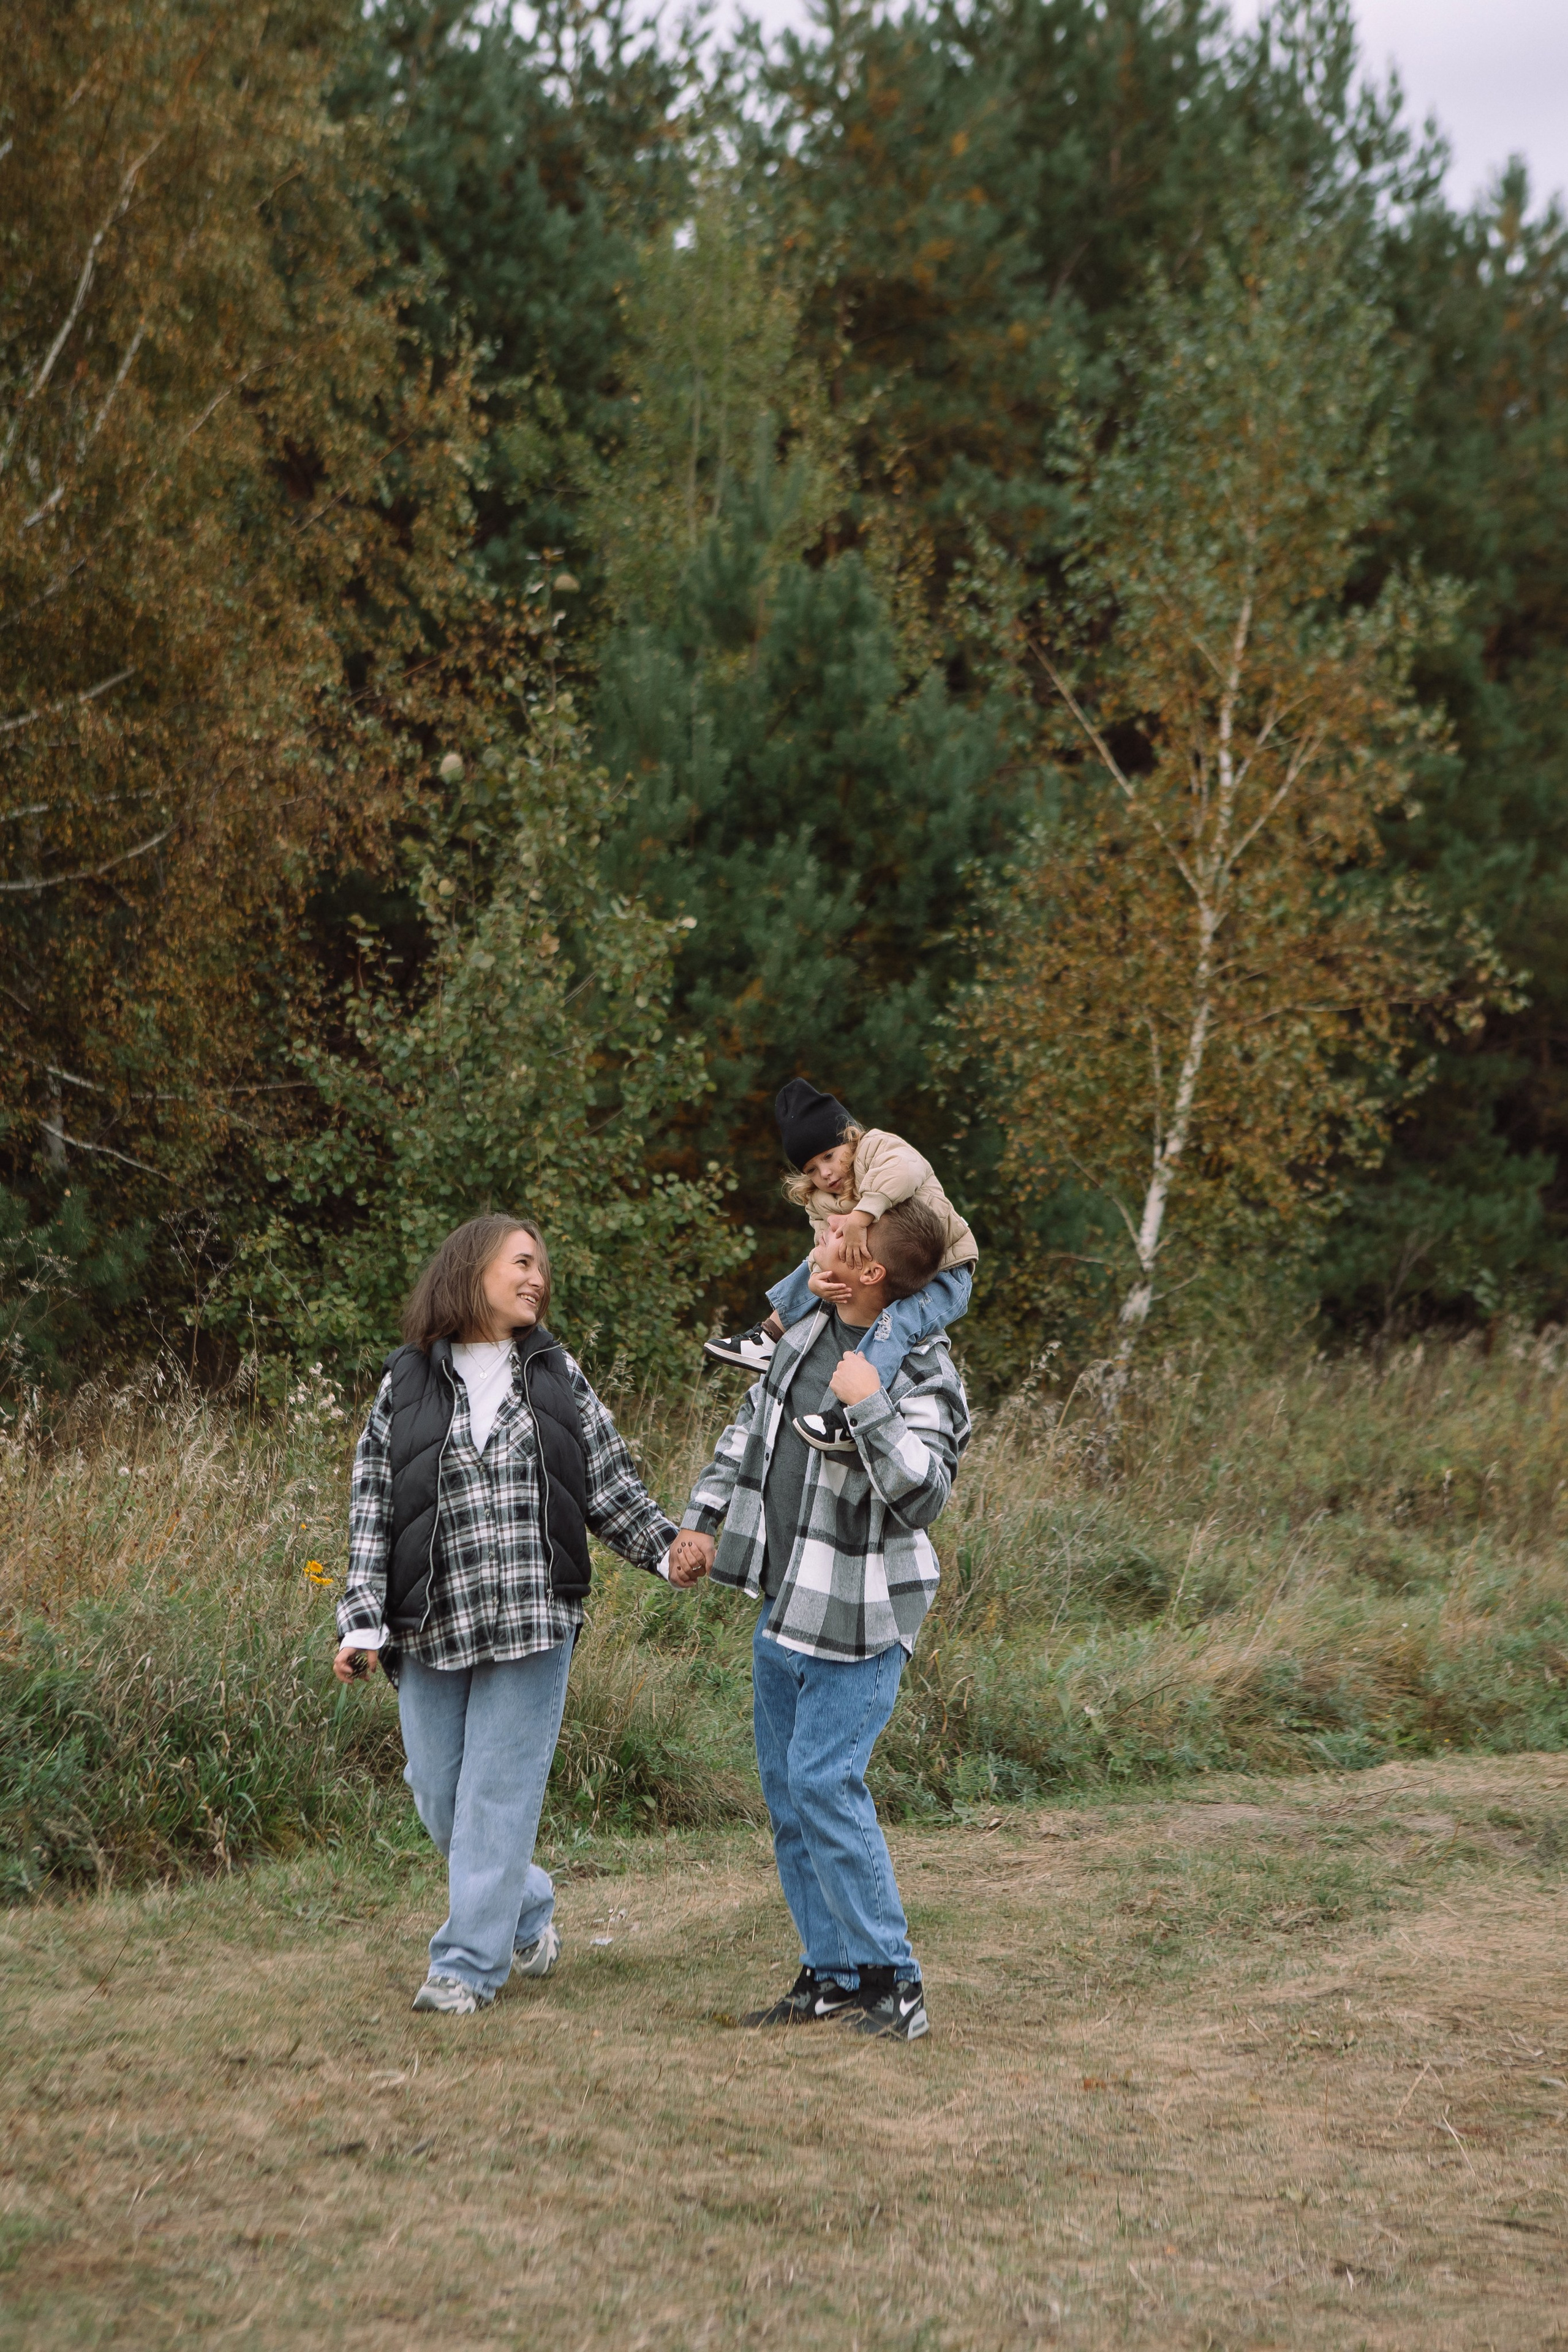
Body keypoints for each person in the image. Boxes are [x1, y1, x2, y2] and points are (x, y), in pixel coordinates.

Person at [333, 1213, 711, 2015]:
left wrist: (667, 1547)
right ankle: (526, 1910)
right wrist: (361, 1622)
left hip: (535, 1621)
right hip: (430, 1622)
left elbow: (606, 1485)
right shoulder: (405, 1383)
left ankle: (465, 1967)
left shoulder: (555, 1375)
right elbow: (374, 1508)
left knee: (496, 1799)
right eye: (522, 1262)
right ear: (470, 1271)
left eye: (543, 1266)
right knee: (440, 1794)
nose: (538, 1278)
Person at [678, 1196, 970, 2041]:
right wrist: (701, 1517)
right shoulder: (804, 1332)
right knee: (788, 1792)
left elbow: (925, 1494)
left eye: (838, 1236)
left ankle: (895, 1982)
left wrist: (869, 1405)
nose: (821, 1242)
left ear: (872, 1270)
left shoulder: (921, 1367)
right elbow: (749, 1433)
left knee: (824, 1783)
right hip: (785, 1598)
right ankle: (833, 1973)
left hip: (861, 1613)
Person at [704, 1079, 978, 1456]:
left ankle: (853, 1413)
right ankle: (770, 1334)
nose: (826, 1174)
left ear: (850, 1138)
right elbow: (823, 1249)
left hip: (946, 1272)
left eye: (830, 1156)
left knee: (896, 1322)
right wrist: (817, 1280)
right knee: (818, 1258)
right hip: (886, 1268)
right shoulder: (823, 1199)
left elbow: (907, 1169)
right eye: (812, 1168)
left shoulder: (878, 1148)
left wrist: (862, 1216)